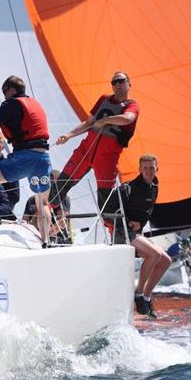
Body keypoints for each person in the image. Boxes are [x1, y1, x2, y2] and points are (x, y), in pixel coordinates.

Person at [0, 75, 52, 244]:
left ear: (10, 90)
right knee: (43, 203)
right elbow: (3, 115)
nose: (4, 98)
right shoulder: (34, 104)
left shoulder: (11, 103)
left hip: (24, 156)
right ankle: (46, 241)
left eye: (5, 94)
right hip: (43, 157)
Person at [52, 71, 139, 213]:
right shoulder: (104, 99)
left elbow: (128, 118)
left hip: (107, 157)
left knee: (106, 202)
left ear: (129, 84)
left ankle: (113, 229)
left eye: (121, 81)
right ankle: (45, 215)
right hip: (85, 150)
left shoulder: (132, 105)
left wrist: (105, 120)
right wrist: (68, 135)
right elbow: (89, 122)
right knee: (61, 185)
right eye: (114, 82)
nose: (117, 85)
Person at [112, 154, 171, 318]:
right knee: (155, 254)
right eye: (145, 168)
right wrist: (130, 221)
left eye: (152, 168)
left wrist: (140, 223)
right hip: (123, 233)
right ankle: (138, 295)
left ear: (157, 169)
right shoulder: (128, 188)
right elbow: (109, 210)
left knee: (166, 261)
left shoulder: (154, 186)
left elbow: (148, 212)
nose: (148, 171)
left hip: (137, 234)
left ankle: (146, 297)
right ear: (139, 169)